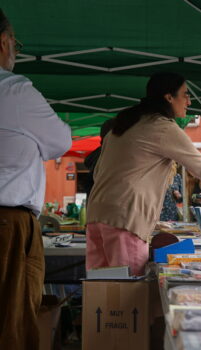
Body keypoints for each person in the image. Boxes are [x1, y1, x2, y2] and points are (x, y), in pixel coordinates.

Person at [86, 72, 201, 276]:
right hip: (126, 219)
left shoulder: (126, 123)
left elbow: (97, 172)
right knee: (126, 294)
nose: (189, 101)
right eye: (185, 94)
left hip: (97, 214)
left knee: (99, 289)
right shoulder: (162, 127)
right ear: (169, 97)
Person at [0, 10, 72, 348]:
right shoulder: (14, 90)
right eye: (16, 43)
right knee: (12, 321)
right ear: (4, 43)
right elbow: (60, 141)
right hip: (8, 223)